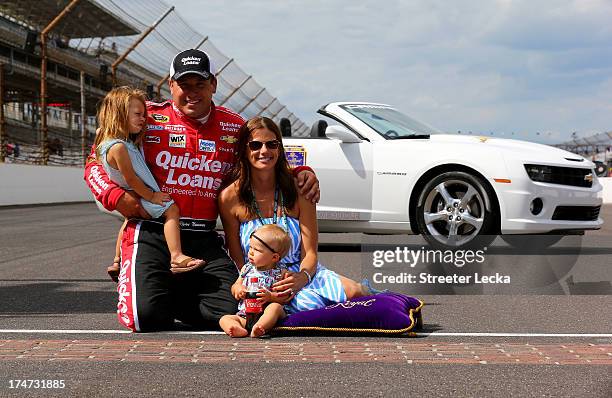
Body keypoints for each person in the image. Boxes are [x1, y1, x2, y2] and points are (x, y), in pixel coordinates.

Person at [83, 49, 319, 332]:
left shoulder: (234, 126)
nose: (192, 93)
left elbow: (262, 156)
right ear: (170, 85)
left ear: (213, 85)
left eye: (200, 84)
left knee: (239, 306)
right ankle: (147, 284)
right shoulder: (148, 118)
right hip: (152, 228)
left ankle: (168, 289)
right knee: (144, 318)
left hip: (204, 235)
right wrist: (115, 196)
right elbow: (96, 160)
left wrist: (300, 173)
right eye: (184, 85)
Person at [219, 116, 374, 316]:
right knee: (302, 308)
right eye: (255, 145)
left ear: (279, 149)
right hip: (258, 278)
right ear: (244, 150)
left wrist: (302, 277)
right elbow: (237, 257)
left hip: (301, 272)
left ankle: (378, 297)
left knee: (353, 292)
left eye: (272, 144)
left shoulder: (300, 189)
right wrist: (247, 282)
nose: (264, 151)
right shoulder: (229, 198)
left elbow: (310, 253)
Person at [94, 86, 204, 282]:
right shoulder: (119, 147)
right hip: (139, 193)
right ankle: (177, 256)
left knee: (129, 220)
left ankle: (117, 260)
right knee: (172, 211)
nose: (143, 119)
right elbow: (131, 179)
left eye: (144, 114)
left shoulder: (107, 141)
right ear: (119, 114)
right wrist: (151, 196)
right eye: (137, 114)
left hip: (132, 194)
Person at [220, 224, 291, 338]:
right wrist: (238, 289)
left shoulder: (280, 273)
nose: (251, 252)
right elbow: (236, 285)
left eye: (257, 250)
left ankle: (260, 327)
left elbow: (285, 296)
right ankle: (236, 328)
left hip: (266, 314)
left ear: (274, 257)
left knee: (275, 307)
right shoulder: (247, 268)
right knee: (225, 318)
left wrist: (271, 296)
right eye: (250, 247)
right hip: (246, 315)